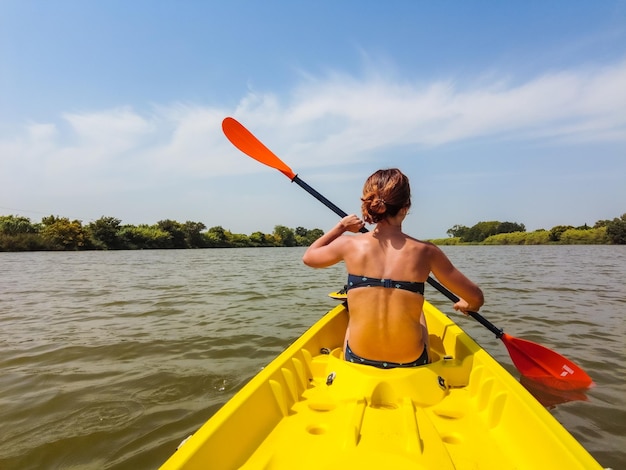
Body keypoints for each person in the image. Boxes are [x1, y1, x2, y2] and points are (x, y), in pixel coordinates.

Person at [302, 168, 484, 369]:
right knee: (420, 308)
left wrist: (341, 227)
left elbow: (309, 257)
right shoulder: (427, 252)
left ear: (369, 205)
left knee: (352, 315)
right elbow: (476, 297)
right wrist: (468, 305)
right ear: (405, 207)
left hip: (357, 357)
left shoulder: (349, 244)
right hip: (411, 360)